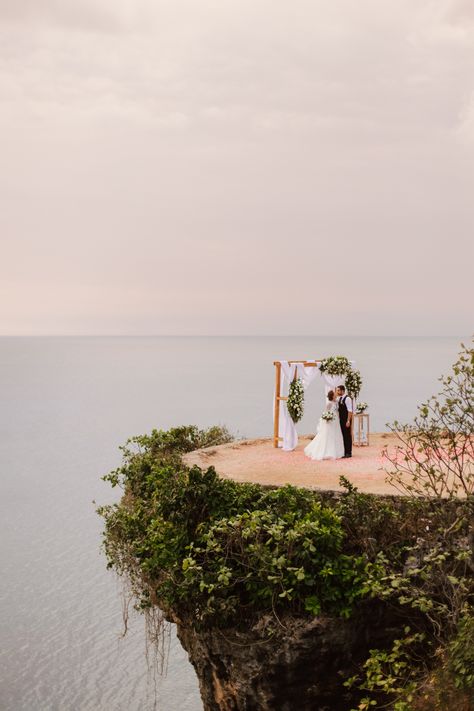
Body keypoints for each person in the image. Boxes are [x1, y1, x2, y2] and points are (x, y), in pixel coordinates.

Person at [304, 390, 345, 460]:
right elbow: (325, 412)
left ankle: (337, 451)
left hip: (336, 421)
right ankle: (328, 451)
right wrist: (328, 418)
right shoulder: (329, 403)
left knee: (336, 434)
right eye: (334, 393)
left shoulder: (336, 402)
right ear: (332, 396)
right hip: (331, 420)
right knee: (329, 435)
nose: (336, 394)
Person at [335, 384, 353, 458]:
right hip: (341, 420)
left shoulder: (347, 398)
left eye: (338, 390)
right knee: (343, 435)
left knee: (347, 436)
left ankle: (349, 452)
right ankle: (345, 451)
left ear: (342, 391)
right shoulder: (340, 398)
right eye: (337, 390)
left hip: (346, 420)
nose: (337, 392)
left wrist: (348, 421)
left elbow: (350, 411)